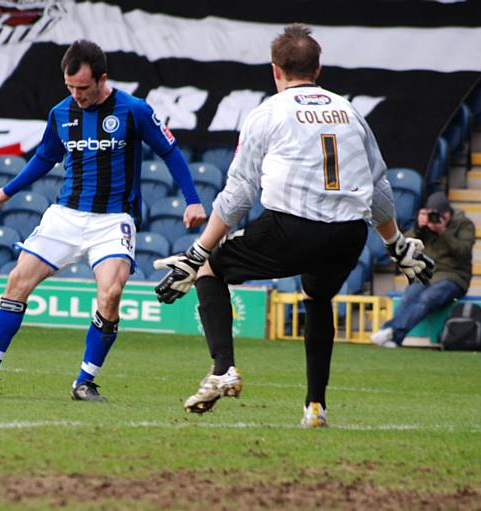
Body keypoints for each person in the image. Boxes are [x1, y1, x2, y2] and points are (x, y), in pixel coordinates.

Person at [152, 24, 434, 428]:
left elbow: (239, 193)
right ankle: (315, 407)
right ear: (318, 69)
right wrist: (397, 244)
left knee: (211, 268)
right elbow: (378, 186)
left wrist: (197, 252)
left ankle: (223, 370)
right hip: (349, 234)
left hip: (293, 228)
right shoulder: (351, 111)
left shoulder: (268, 112)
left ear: (275, 70)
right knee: (317, 298)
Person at [0, 39, 206, 400]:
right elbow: (44, 158)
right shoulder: (61, 113)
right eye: (70, 87)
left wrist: (192, 200)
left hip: (112, 221)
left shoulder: (134, 110)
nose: (76, 95)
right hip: (64, 216)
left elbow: (170, 152)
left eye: (82, 88)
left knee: (109, 296)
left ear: (101, 78)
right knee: (17, 281)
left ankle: (85, 381)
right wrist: (6, 192)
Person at [371, 191, 474, 348]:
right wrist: (419, 228)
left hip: (454, 276)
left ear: (448, 213)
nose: (436, 219)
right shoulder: (425, 225)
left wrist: (443, 232)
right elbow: (403, 245)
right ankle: (391, 336)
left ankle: (392, 332)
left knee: (428, 298)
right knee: (410, 295)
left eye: (440, 216)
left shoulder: (464, 224)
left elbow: (463, 252)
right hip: (429, 273)